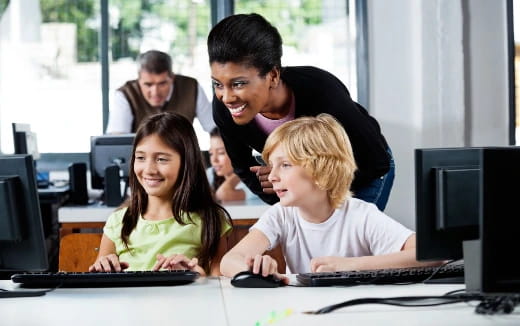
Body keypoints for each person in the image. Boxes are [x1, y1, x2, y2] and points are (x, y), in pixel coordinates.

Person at [207, 13, 394, 211]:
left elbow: (376, 162)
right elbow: (242, 166)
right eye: (218, 84)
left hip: (365, 170)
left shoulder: (323, 93)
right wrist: (280, 194)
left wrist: (297, 178)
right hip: (310, 183)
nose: (226, 97)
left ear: (273, 75)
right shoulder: (224, 109)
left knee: (344, 240)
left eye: (238, 83)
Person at [220, 114, 437, 282]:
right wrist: (255, 271)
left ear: (321, 170)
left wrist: (350, 266)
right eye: (272, 165)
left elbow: (431, 254)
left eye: (285, 165)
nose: (273, 176)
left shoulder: (360, 215)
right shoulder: (281, 215)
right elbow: (229, 261)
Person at [89, 112, 232, 275]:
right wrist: (103, 267)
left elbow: (220, 288)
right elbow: (101, 282)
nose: (149, 170)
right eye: (141, 157)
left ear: (187, 163)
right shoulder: (118, 222)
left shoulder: (211, 220)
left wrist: (197, 277)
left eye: (162, 159)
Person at [106, 50, 215, 134]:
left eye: (162, 83)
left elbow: (214, 128)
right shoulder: (125, 95)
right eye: (148, 85)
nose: (155, 92)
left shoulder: (191, 87)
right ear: (138, 79)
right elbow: (117, 139)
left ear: (172, 78)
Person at [207, 127, 258, 202]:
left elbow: (223, 194)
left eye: (221, 153)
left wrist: (240, 172)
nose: (214, 160)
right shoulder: (210, 173)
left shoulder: (253, 183)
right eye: (211, 153)